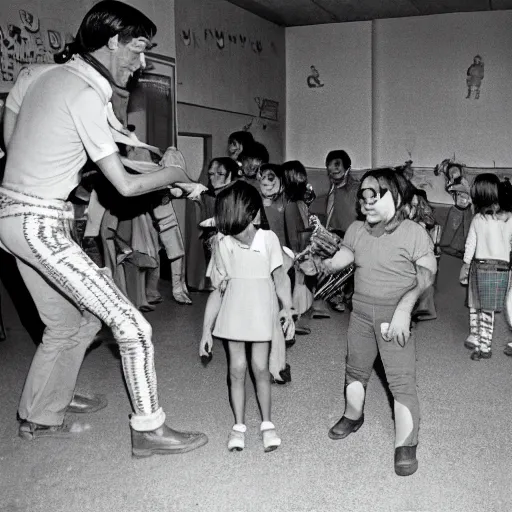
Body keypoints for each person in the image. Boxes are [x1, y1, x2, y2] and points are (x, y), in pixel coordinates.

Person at [0, 0, 208, 456]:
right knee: (131, 324)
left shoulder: (43, 76)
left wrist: (41, 168)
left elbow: (17, 131)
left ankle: (40, 412)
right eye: (138, 49)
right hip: (41, 225)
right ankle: (149, 430)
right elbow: (128, 186)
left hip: (12, 219)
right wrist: (175, 173)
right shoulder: (85, 94)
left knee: (70, 321)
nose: (143, 62)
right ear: (112, 41)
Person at [322, 168, 437, 477]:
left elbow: (426, 274)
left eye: (376, 195)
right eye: (364, 196)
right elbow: (340, 260)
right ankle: (353, 415)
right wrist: (317, 264)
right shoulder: (356, 230)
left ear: (397, 197)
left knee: (400, 381)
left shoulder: (413, 232)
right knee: (355, 370)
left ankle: (405, 443)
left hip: (394, 316)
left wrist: (404, 308)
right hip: (359, 314)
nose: (367, 202)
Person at [199, 181, 294, 452]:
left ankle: (267, 424)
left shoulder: (268, 240)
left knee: (261, 368)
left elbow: (279, 277)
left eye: (236, 227)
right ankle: (238, 426)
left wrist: (287, 308)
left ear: (254, 216)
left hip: (262, 312)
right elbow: (218, 290)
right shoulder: (223, 242)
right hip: (235, 313)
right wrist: (207, 329)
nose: (234, 234)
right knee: (236, 369)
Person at [459, 174, 512, 361]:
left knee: (476, 305)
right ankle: (485, 345)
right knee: (488, 309)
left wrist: (465, 265)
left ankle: (479, 340)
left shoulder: (477, 220)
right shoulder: (509, 218)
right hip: (501, 269)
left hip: (479, 266)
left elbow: (470, 245)